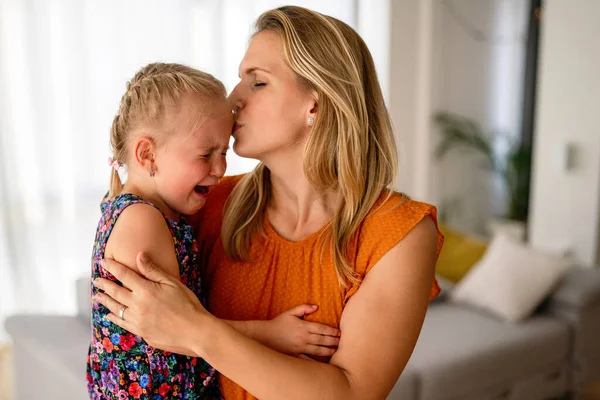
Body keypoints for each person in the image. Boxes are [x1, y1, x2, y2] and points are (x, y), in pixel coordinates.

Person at [94, 6, 442, 400]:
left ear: (315, 103)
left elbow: (353, 393)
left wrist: (197, 330)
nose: (232, 98)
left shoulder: (399, 234)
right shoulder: (205, 203)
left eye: (257, 83)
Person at [88, 62, 340, 400]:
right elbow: (172, 331)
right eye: (206, 154)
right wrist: (271, 334)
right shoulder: (141, 220)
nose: (220, 169)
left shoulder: (142, 208)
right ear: (147, 154)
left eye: (223, 152)